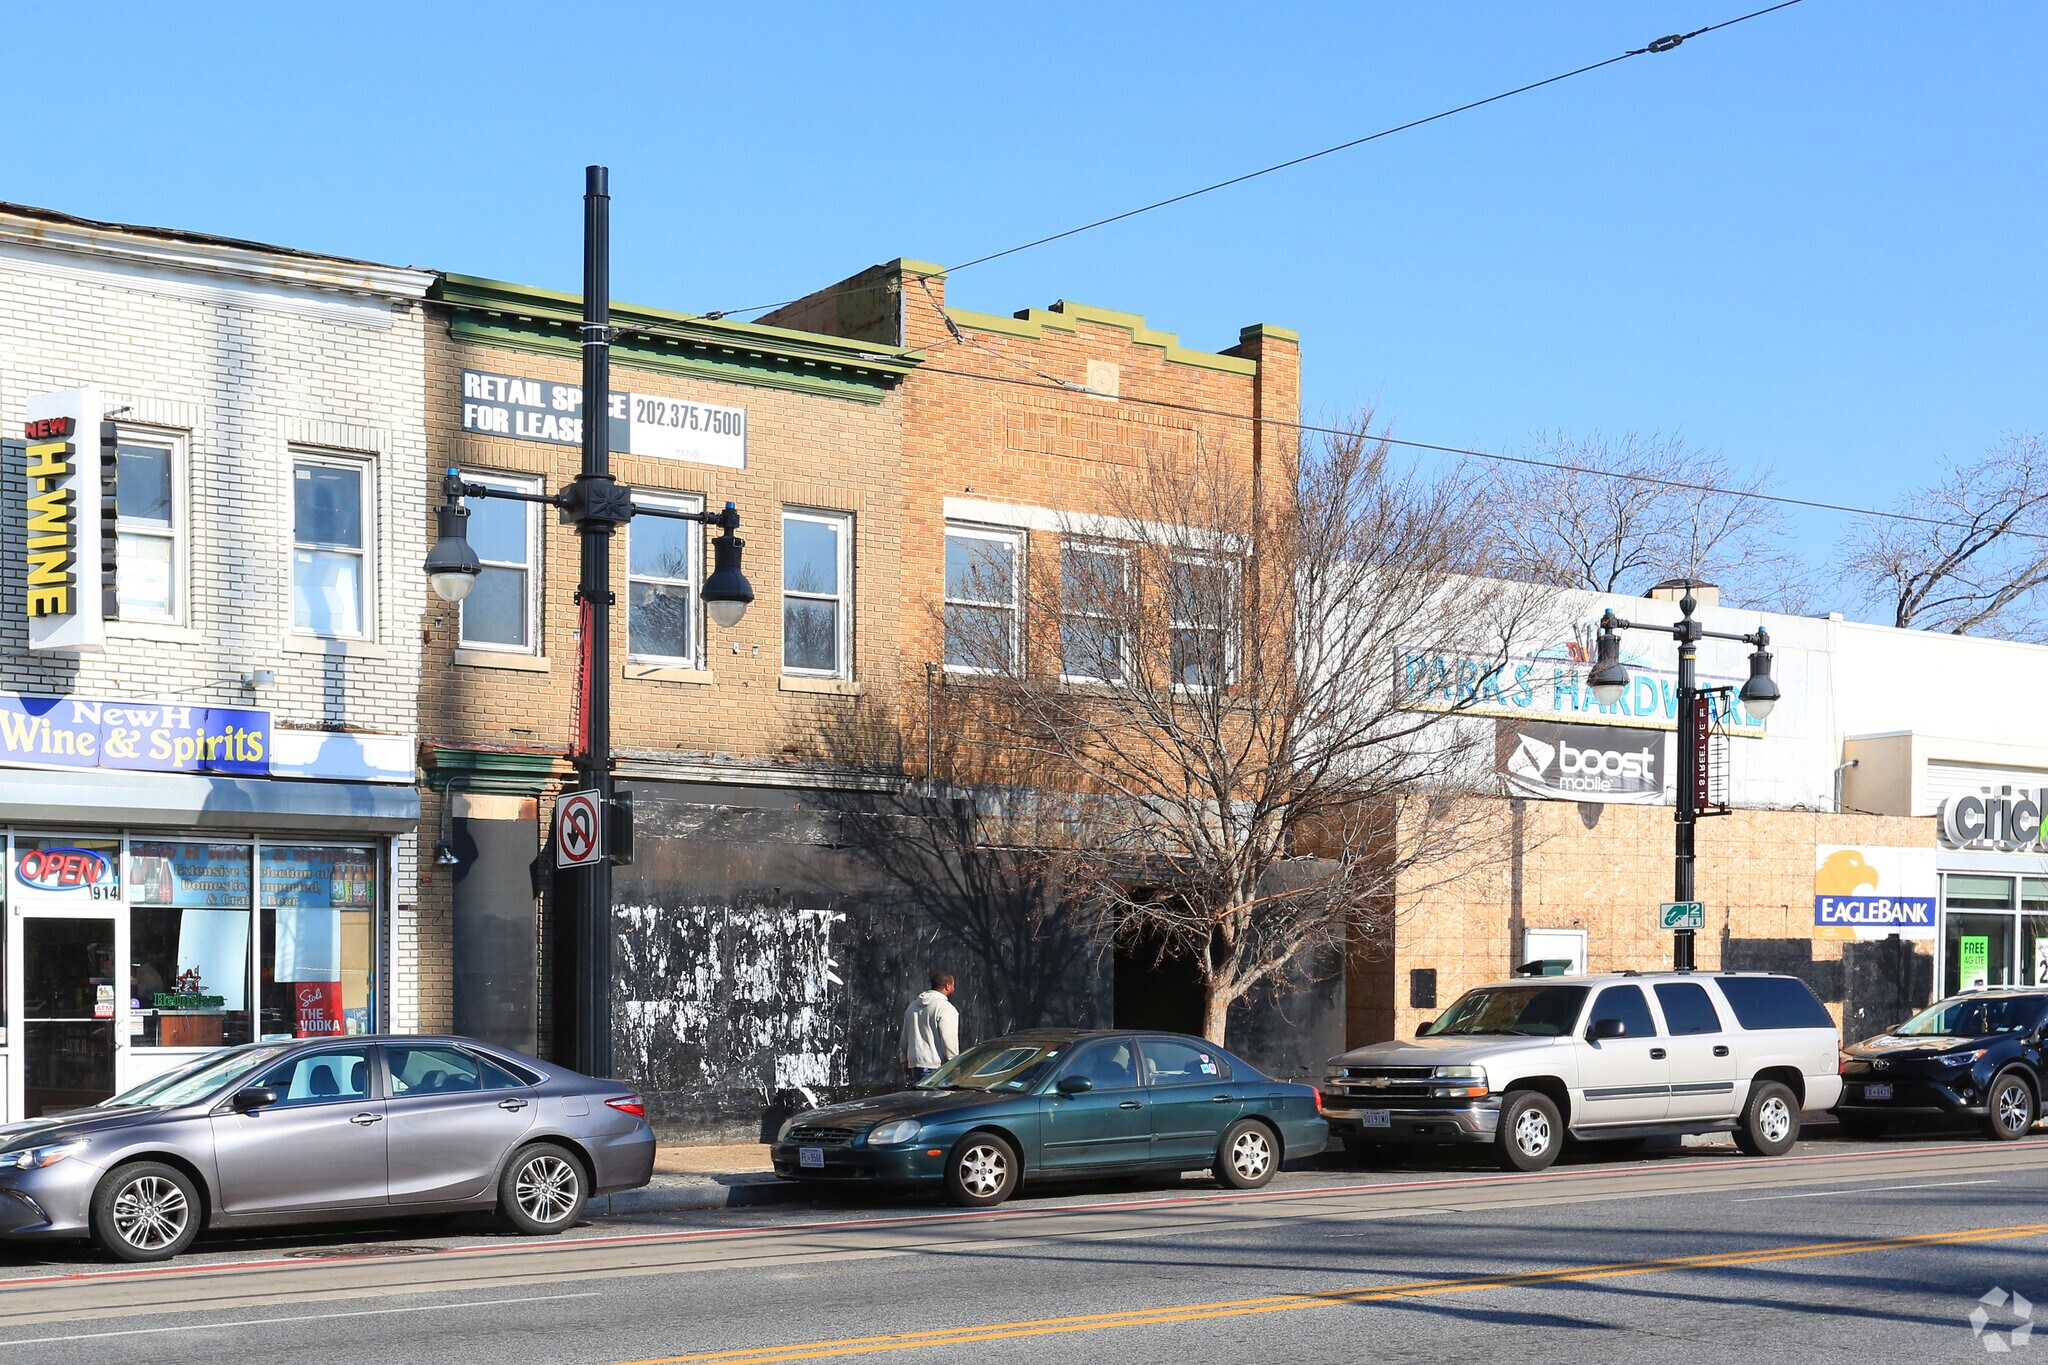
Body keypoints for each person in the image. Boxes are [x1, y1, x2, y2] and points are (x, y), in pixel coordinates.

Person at [902, 972, 960, 1084]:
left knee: (921, 1101)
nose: (954, 987)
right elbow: (948, 1039)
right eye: (953, 985)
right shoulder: (945, 1008)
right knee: (938, 1100)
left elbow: (905, 1036)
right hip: (936, 1067)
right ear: (947, 986)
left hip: (915, 1065)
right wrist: (954, 1065)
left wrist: (904, 1060)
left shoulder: (912, 1006)